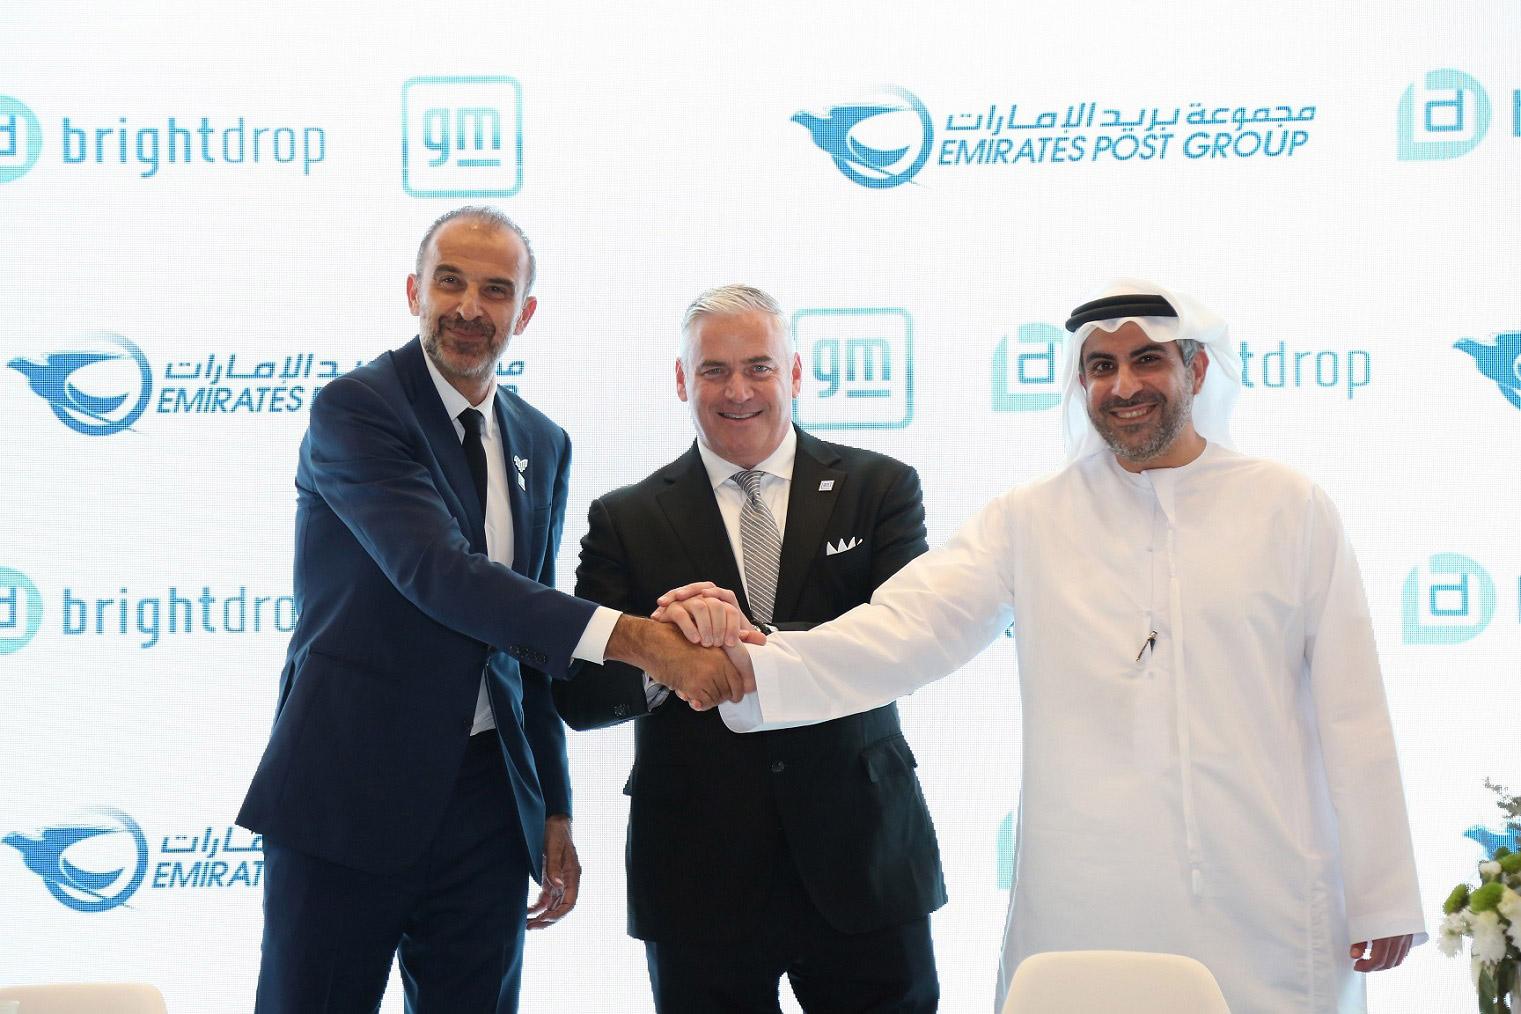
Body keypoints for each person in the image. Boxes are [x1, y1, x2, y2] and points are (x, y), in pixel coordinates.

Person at [666, 279, 1426, 1013]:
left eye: (1147, 360)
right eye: (1100, 367)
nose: (1123, 386)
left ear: (1196, 371)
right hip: (1087, 892)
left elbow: (1352, 708)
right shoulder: (1030, 518)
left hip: (1258, 887)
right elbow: (903, 629)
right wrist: (750, 665)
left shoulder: (1287, 506)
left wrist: (1382, 893)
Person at [236, 207, 756, 1013]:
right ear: (414, 291)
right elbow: (439, 574)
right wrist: (644, 642)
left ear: (525, 312)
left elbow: (525, 640)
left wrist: (551, 803)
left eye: (495, 290)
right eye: (450, 282)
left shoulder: (540, 441)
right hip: (347, 794)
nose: (469, 308)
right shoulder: (357, 409)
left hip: (485, 805)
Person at [554, 285, 945, 1013]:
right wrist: (668, 655)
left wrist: (745, 647)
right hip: (696, 876)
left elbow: (907, 644)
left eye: (759, 367)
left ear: (794, 373)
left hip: (863, 861)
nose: (738, 391)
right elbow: (580, 696)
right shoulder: (625, 518)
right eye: (714, 370)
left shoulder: (880, 488)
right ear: (682, 380)